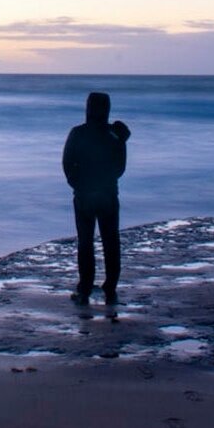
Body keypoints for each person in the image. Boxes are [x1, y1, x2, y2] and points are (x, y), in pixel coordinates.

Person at [62, 91, 130, 306]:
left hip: (85, 195)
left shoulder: (78, 133)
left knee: (86, 242)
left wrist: (78, 184)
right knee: (110, 241)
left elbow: (67, 162)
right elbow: (121, 166)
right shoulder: (114, 135)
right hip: (107, 193)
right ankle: (110, 286)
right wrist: (107, 180)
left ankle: (85, 287)